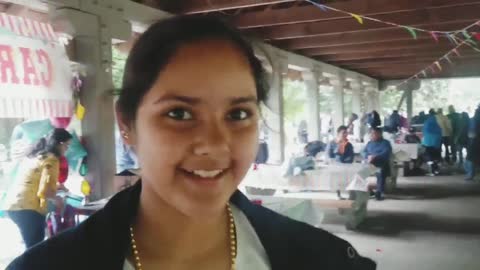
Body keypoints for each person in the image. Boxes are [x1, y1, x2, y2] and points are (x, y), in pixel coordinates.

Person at [8, 16, 375, 270]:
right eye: (180, 114)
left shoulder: (322, 259)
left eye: (238, 114)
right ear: (127, 123)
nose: (214, 145)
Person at [2, 128, 72, 248]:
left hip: (14, 204)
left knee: (33, 248)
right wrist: (58, 200)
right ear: (59, 144)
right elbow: (45, 191)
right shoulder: (52, 160)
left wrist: (56, 187)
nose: (67, 149)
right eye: (67, 145)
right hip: (29, 208)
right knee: (34, 250)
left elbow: (35, 180)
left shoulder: (37, 156)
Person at [362, 127, 392, 201]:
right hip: (370, 165)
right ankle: (369, 191)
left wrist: (375, 156)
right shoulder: (369, 143)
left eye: (374, 133)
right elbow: (363, 152)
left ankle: (379, 192)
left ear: (380, 134)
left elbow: (386, 153)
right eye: (371, 134)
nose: (372, 135)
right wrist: (367, 157)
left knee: (380, 173)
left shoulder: (385, 143)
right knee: (360, 174)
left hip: (381, 164)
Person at [423, 109, 442, 175]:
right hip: (436, 142)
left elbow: (424, 132)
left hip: (428, 142)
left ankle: (431, 171)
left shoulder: (427, 121)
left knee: (430, 157)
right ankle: (436, 170)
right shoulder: (437, 121)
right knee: (436, 157)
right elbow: (440, 131)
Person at [465, 106, 480, 181]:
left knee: (470, 158)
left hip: (475, 140)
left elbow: (472, 132)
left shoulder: (474, 119)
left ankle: (470, 174)